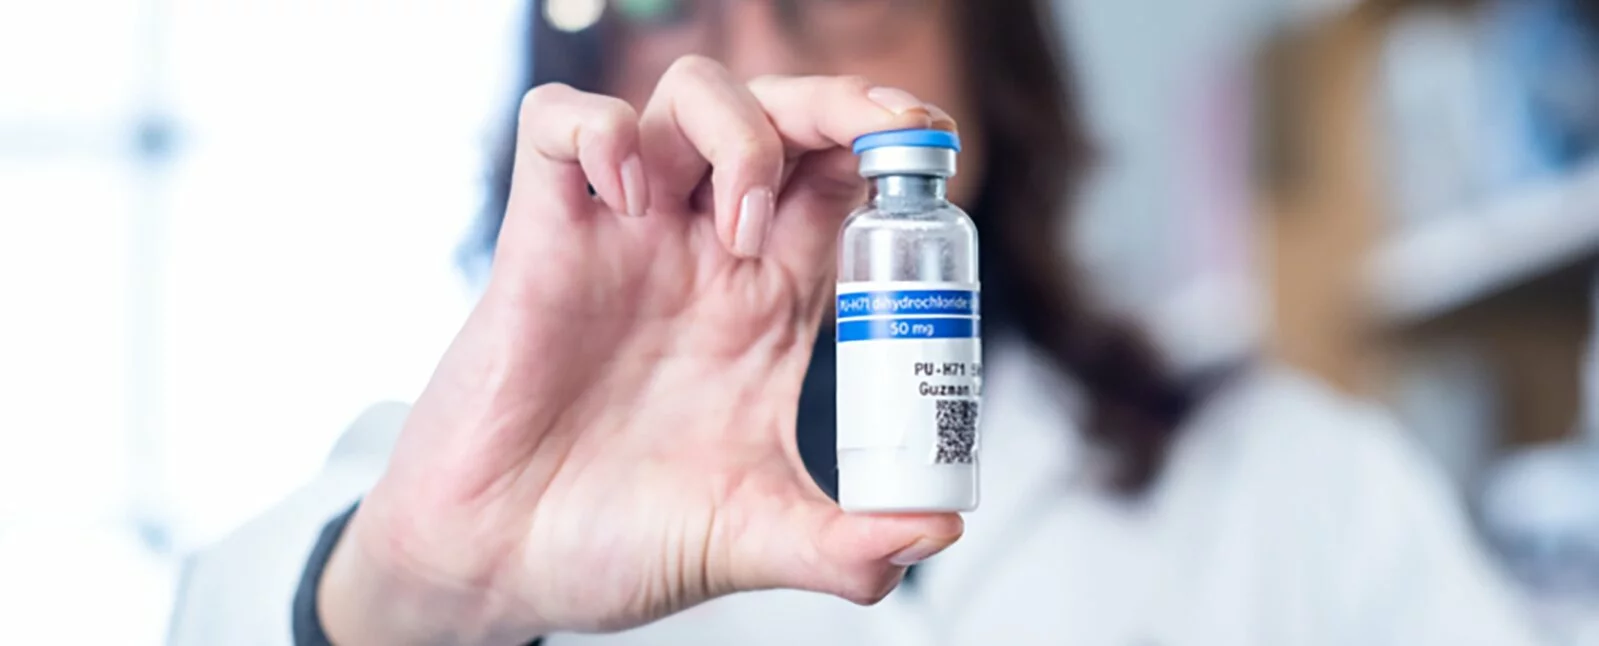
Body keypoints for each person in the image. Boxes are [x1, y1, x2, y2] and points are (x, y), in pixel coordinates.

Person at [167, 1, 1542, 645]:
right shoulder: (429, 498)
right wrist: (427, 588)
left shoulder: (1296, 484)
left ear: (983, 56)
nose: (759, 58)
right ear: (576, 64)